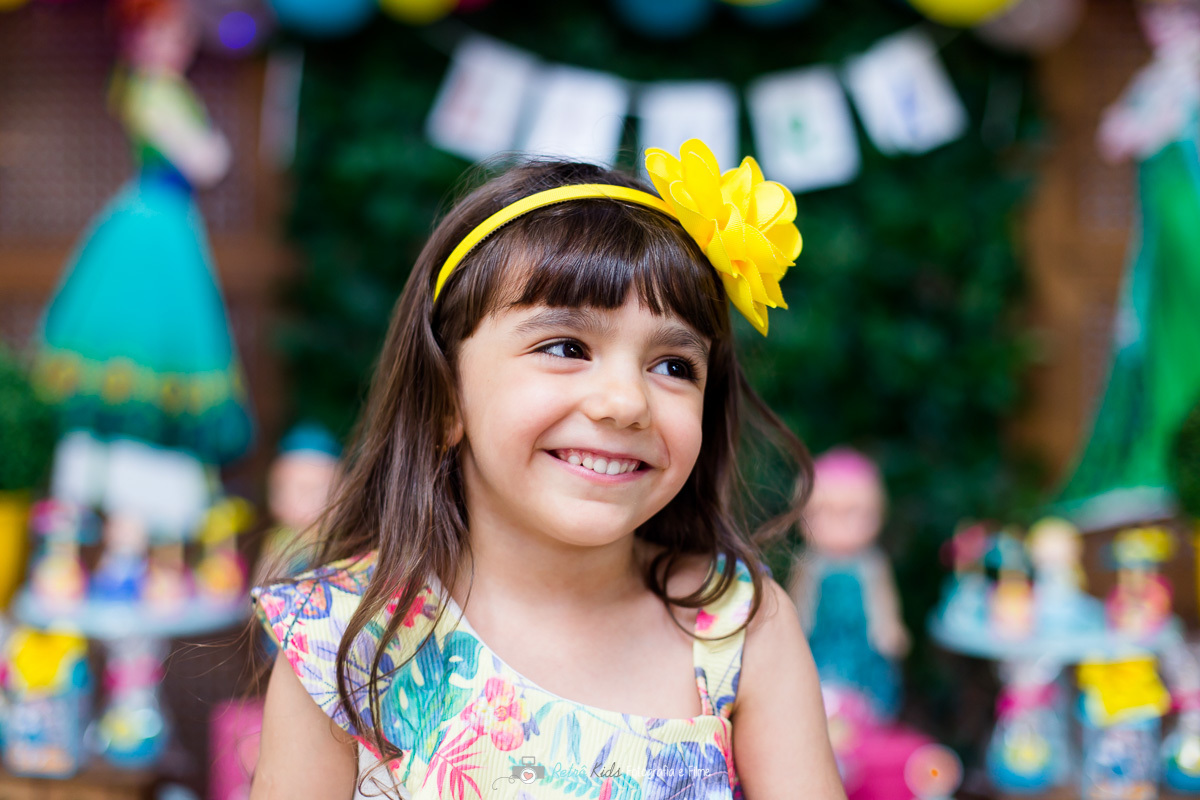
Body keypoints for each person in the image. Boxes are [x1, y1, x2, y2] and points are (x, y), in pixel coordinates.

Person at [249, 140, 845, 800]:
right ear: (448, 398)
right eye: (566, 347)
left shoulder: (742, 627)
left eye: (674, 366)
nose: (625, 403)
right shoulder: (342, 637)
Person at [1056, 0, 1200, 528]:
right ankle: (1169, 457)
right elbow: (1114, 137)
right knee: (1171, 349)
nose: (1169, 27)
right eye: (1159, 16)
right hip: (1170, 246)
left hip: (1190, 233)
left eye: (1183, 15)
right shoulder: (1164, 81)